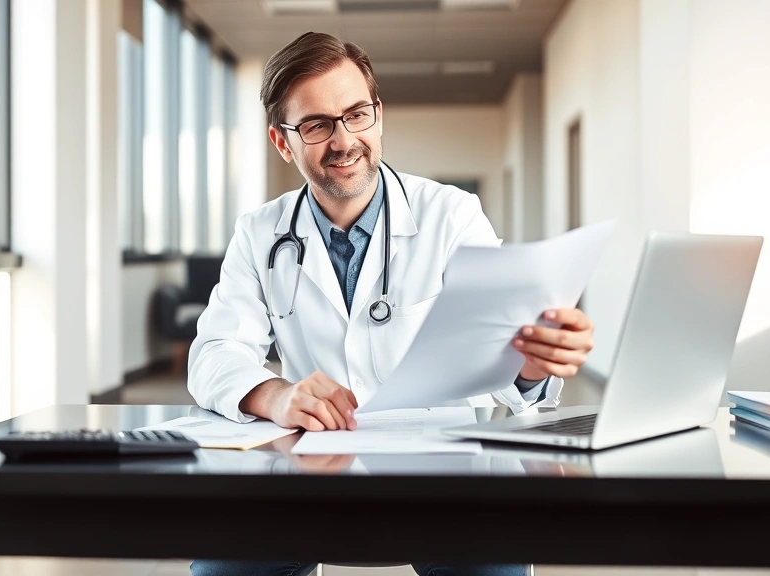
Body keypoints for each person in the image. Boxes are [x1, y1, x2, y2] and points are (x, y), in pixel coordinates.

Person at [187, 32, 595, 576]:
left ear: (378, 116)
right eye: (316, 124)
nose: (344, 139)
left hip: (445, 477)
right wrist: (276, 394)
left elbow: (501, 356)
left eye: (357, 114)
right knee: (222, 568)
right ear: (283, 142)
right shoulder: (261, 233)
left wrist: (531, 362)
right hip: (308, 469)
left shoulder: (452, 216)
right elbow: (214, 351)